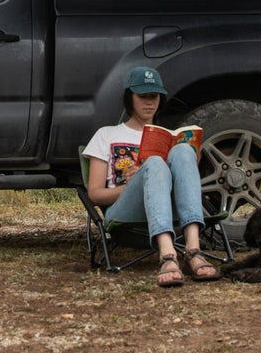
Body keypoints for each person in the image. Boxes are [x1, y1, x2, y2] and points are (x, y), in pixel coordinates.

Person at [83, 66, 219, 286]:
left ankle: (194, 250)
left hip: (169, 208)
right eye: (142, 96)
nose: (149, 102)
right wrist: (137, 182)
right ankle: (167, 255)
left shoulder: (167, 137)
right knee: (154, 163)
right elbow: (95, 194)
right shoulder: (107, 134)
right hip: (125, 210)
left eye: (154, 96)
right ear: (130, 99)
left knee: (183, 150)